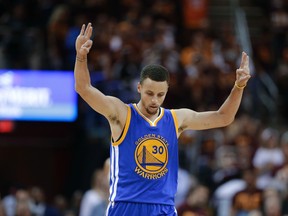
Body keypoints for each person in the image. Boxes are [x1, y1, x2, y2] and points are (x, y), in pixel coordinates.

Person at [74, 23, 251, 216]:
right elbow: (84, 88)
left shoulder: (176, 119)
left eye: (160, 94)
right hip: (126, 206)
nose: (154, 100)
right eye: (149, 93)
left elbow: (223, 117)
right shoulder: (122, 113)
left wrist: (238, 87)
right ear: (139, 88)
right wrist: (81, 57)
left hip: (163, 208)